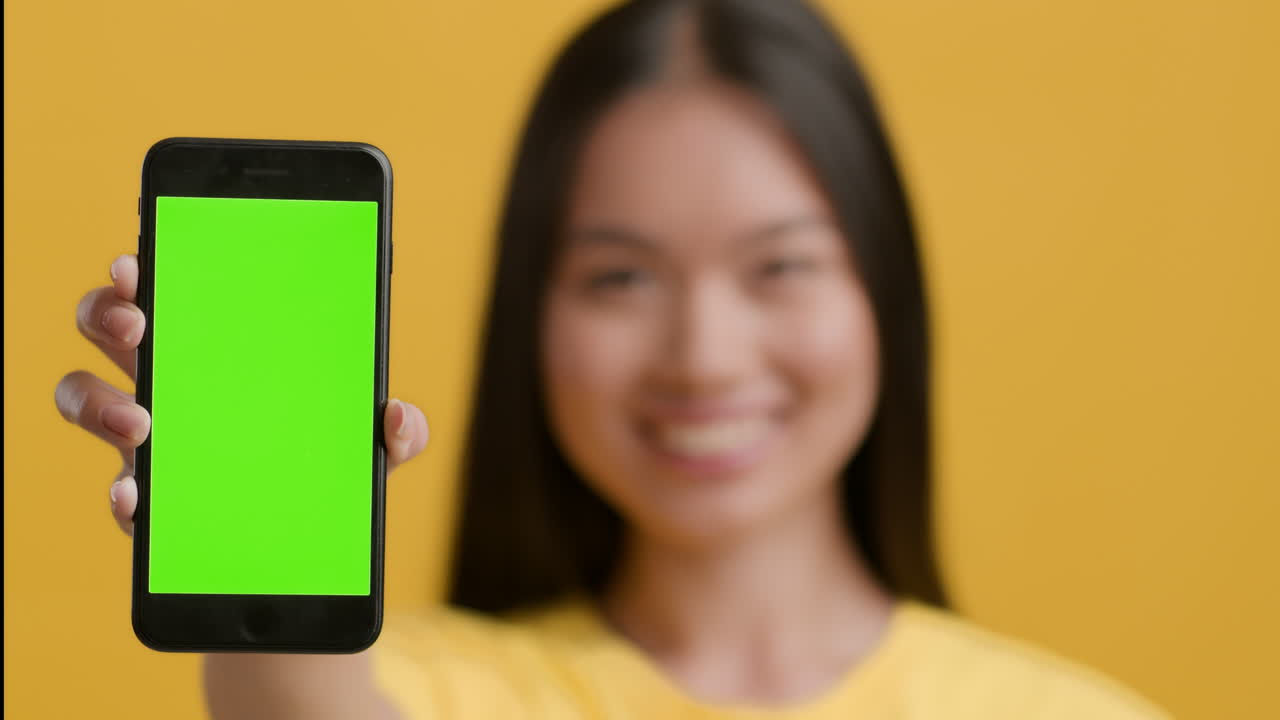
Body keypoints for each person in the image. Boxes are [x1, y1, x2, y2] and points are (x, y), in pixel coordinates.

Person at [56, 0, 1171, 717]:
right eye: (619, 278)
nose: (702, 357)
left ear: (883, 290)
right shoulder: (428, 689)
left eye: (778, 267)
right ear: (527, 314)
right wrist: (251, 489)